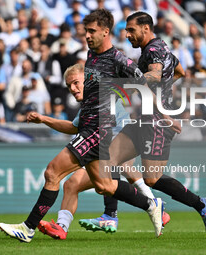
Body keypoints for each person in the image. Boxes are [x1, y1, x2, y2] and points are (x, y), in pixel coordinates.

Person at [0, 9, 178, 242]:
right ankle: (151, 205)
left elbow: (145, 85)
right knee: (105, 185)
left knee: (53, 171)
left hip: (95, 130)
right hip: (89, 127)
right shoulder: (91, 56)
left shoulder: (118, 60)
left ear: (106, 31)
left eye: (92, 31)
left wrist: (165, 115)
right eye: (86, 31)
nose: (88, 36)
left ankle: (28, 228)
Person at [105, 11, 206, 237]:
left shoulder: (153, 51)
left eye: (131, 30)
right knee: (108, 159)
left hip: (156, 122)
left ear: (146, 28)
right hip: (145, 119)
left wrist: (139, 81)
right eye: (127, 31)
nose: (127, 35)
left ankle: (201, 204)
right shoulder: (161, 48)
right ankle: (109, 216)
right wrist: (163, 88)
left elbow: (154, 74)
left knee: (152, 178)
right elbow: (180, 71)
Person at [29, 64, 168, 240]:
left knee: (116, 170)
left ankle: (139, 209)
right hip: (106, 151)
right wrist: (43, 119)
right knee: (73, 185)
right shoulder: (89, 106)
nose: (73, 88)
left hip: (114, 149)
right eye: (69, 85)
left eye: (76, 83)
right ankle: (63, 226)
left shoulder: (103, 96)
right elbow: (73, 127)